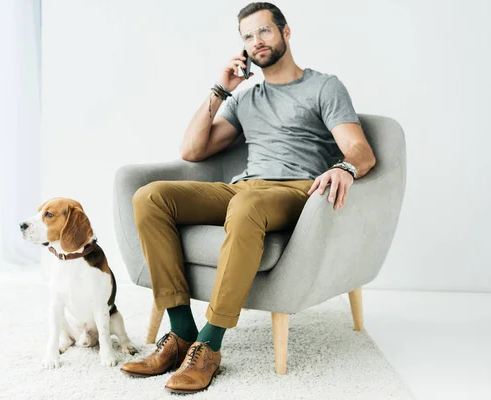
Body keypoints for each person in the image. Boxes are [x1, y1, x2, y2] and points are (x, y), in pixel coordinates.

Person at [120, 1, 376, 394]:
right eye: (248, 36)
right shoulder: (246, 98)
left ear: (285, 32)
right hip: (244, 188)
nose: (257, 41)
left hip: (295, 191)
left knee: (247, 205)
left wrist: (343, 168)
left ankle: (210, 344)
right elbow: (192, 150)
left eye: (264, 31)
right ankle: (182, 332)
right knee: (150, 197)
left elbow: (360, 149)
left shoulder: (324, 86)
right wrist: (222, 89)